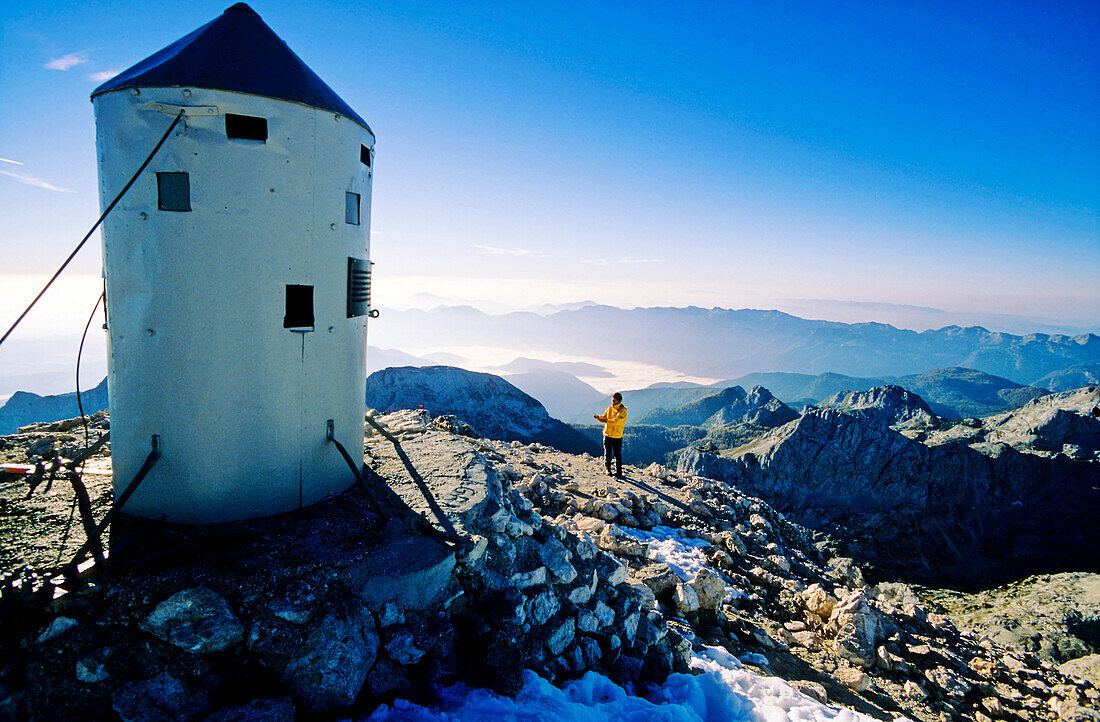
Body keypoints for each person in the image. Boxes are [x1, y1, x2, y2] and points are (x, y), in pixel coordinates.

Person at [594, 392, 628, 477]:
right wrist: (599, 418)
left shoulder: (622, 411)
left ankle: (619, 471)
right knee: (607, 453)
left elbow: (616, 422)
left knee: (617, 454)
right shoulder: (609, 409)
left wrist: (605, 420)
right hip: (608, 434)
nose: (612, 401)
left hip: (616, 436)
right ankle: (608, 469)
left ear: (618, 400)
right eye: (612, 400)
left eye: (614, 400)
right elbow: (605, 417)